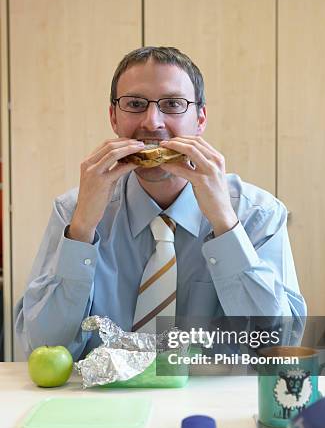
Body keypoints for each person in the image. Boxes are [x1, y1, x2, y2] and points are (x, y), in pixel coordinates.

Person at [15, 46, 306, 361]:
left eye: (172, 104)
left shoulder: (257, 213)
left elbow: (277, 348)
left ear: (200, 118)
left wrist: (225, 224)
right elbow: (42, 347)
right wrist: (82, 229)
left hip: (215, 404)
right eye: (135, 104)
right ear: (114, 117)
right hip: (105, 403)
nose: (152, 122)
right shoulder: (73, 210)